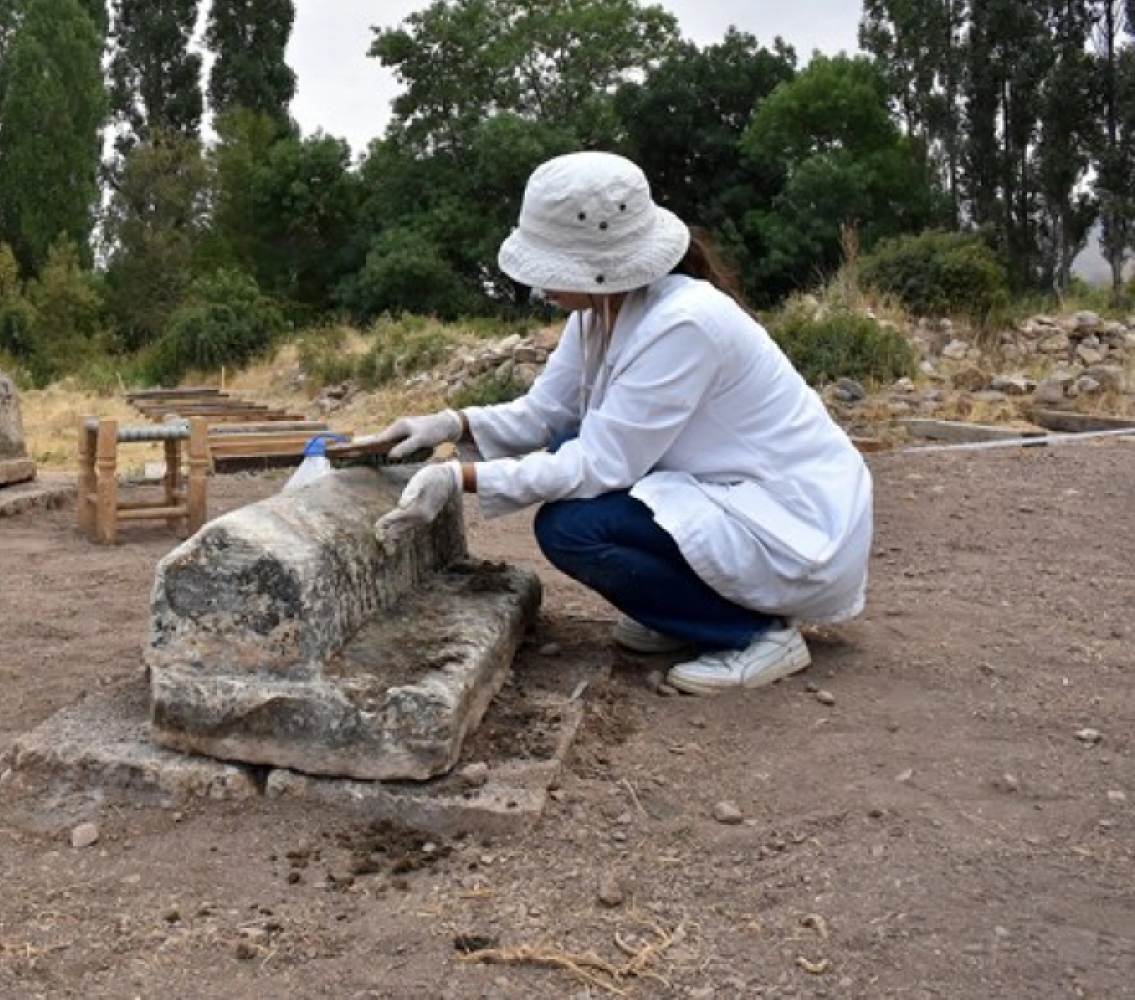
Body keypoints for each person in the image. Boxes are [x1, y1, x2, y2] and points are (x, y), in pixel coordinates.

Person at [360, 151, 873, 695]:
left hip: (789, 517)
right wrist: (447, 425)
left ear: (600, 262)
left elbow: (600, 463)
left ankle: (748, 634)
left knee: (572, 528)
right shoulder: (600, 314)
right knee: (565, 445)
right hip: (730, 489)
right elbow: (544, 413)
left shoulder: (684, 325)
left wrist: (458, 478)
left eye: (549, 269)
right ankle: (682, 610)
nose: (540, 289)